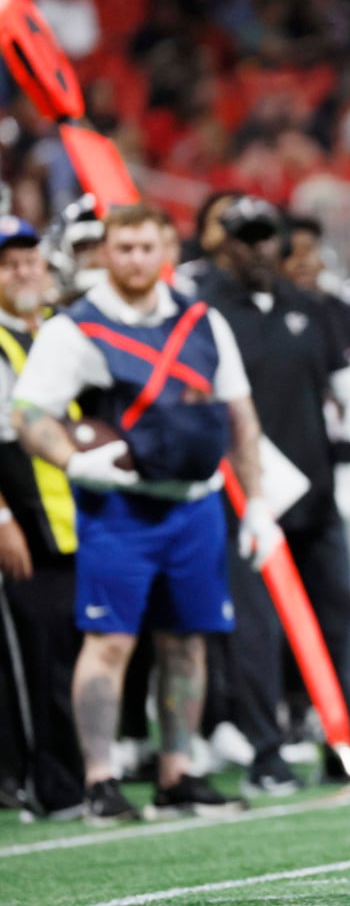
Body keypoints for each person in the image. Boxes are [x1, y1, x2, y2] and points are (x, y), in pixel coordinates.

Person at [11, 203, 272, 824]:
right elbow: (28, 416)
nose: (133, 259)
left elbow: (241, 416)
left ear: (166, 250)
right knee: (109, 643)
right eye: (121, 248)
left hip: (196, 505)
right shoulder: (75, 327)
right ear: (105, 252)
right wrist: (74, 465)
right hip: (119, 509)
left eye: (145, 247)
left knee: (187, 644)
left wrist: (258, 502)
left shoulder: (202, 319)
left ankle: (177, 773)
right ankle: (101, 780)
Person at [194, 196, 350, 793]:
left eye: (266, 236)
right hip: (245, 501)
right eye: (245, 236)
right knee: (257, 633)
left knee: (339, 625)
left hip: (315, 494)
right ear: (225, 244)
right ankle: (266, 754)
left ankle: (348, 746)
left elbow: (349, 382)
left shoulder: (311, 308)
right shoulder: (203, 314)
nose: (258, 247)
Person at [0, 214, 85, 818]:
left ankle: (81, 778)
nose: (24, 270)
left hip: (85, 520)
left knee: (80, 656)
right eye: (9, 264)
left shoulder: (63, 331)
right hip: (27, 521)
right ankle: (42, 782)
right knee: (38, 661)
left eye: (31, 259)